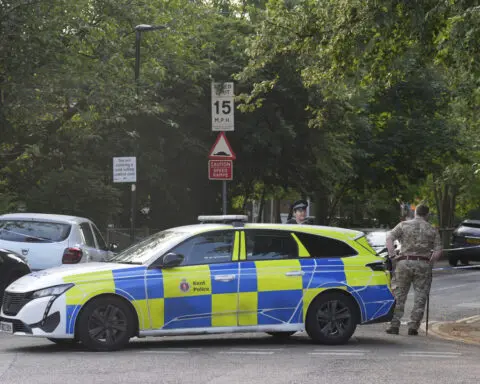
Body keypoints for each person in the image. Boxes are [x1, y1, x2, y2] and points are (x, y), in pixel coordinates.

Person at [385, 204, 442, 336]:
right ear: (427, 215)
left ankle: (394, 325)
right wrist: (430, 262)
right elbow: (438, 251)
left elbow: (389, 238)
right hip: (423, 263)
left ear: (415, 212)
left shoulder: (403, 225)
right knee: (420, 296)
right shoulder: (432, 229)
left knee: (399, 295)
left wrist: (393, 255)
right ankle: (413, 327)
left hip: (404, 262)